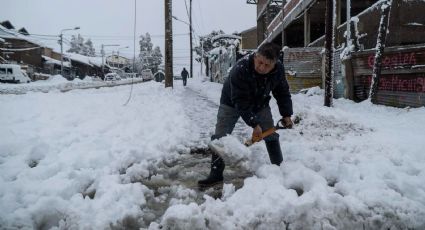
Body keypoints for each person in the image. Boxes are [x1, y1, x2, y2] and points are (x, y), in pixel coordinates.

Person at [198, 42, 294, 189]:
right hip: (231, 102)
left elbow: (282, 92)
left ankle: (279, 168)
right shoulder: (240, 69)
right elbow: (240, 101)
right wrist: (254, 124)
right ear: (255, 56)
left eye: (267, 65)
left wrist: (286, 114)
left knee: (271, 134)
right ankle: (215, 175)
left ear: (275, 64)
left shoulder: (278, 70)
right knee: (220, 137)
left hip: (260, 102)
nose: (262, 68)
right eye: (260, 62)